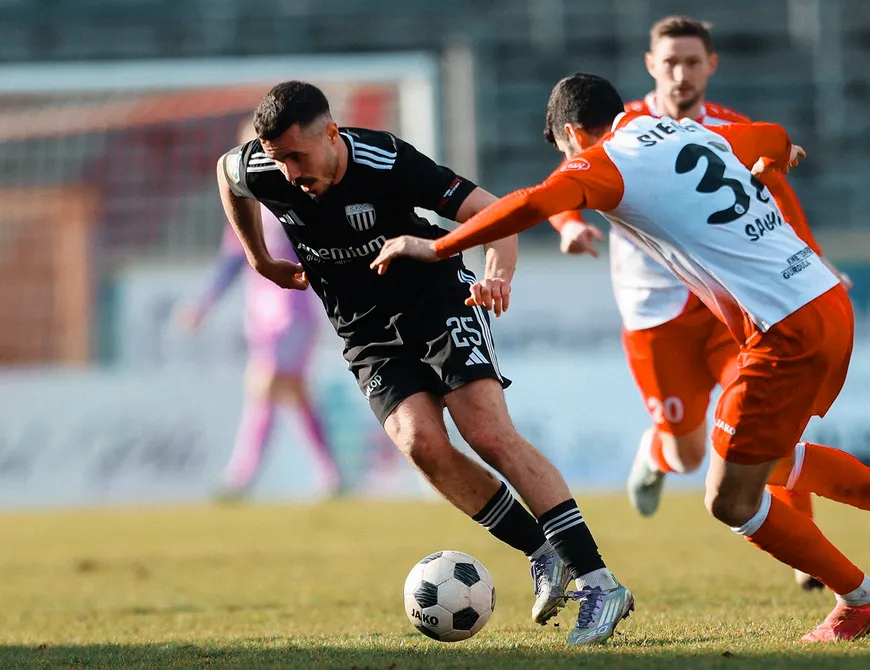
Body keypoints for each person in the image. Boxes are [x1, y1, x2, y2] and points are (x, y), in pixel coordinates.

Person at [370, 72, 870, 642]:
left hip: (785, 331)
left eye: (562, 150)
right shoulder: (689, 132)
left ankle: (858, 599)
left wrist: (434, 246)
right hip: (824, 302)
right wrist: (783, 152)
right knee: (772, 462)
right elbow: (771, 135)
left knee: (731, 501)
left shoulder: (608, 160)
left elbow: (531, 202)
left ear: (570, 134)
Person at [215, 80, 634, 645]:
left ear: (333, 134)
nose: (288, 173)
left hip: (436, 299)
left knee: (486, 433)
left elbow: (495, 211)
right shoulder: (263, 167)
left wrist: (496, 275)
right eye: (276, 159)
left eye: (297, 156)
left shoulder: (388, 162)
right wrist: (258, 257)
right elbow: (227, 173)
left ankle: (599, 581)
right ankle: (543, 553)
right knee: (421, 445)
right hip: (362, 326)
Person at [549, 16, 852, 591]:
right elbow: (564, 182)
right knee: (688, 455)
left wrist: (813, 260)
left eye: (692, 62)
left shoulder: (728, 127)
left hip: (727, 309)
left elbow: (776, 197)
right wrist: (568, 225)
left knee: (770, 426)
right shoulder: (619, 127)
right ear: (650, 67)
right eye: (670, 63)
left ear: (711, 66)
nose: (680, 74)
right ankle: (658, 453)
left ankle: (807, 558)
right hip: (653, 319)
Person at [177, 200, 341, 499]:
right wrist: (203, 305)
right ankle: (331, 474)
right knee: (295, 393)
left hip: (293, 311)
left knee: (263, 387)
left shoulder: (291, 200)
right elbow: (230, 262)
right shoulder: (244, 207)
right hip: (262, 315)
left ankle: (241, 477)